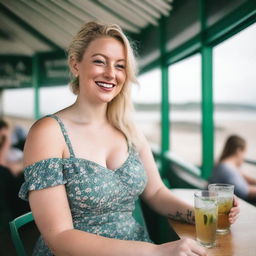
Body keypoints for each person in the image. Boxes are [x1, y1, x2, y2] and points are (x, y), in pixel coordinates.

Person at [19, 21, 239, 256]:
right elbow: (60, 238)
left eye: (120, 66)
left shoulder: (128, 129)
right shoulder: (47, 132)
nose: (111, 73)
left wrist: (205, 214)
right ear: (75, 64)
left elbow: (156, 193)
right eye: (99, 61)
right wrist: (156, 252)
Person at [209, 134, 256, 202]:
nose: (244, 157)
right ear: (238, 151)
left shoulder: (224, 165)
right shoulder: (226, 168)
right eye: (244, 152)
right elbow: (244, 192)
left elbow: (243, 176)